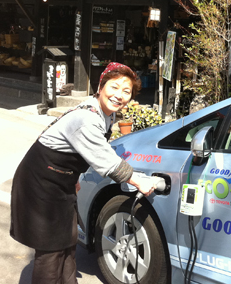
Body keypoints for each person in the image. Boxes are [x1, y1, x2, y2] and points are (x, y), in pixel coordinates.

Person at [10, 62, 154, 284]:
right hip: (40, 182)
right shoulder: (86, 118)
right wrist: (139, 182)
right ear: (101, 86)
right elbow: (107, 162)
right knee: (50, 249)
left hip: (60, 177)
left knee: (67, 241)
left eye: (126, 92)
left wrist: (75, 176)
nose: (119, 96)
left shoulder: (105, 114)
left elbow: (82, 151)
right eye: (114, 87)